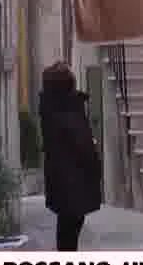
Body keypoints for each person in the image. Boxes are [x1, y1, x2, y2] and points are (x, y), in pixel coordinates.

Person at [38, 61, 101, 251]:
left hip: (60, 182)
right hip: (74, 182)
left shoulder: (50, 107)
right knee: (70, 233)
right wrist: (95, 168)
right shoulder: (68, 110)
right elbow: (82, 145)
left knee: (66, 233)